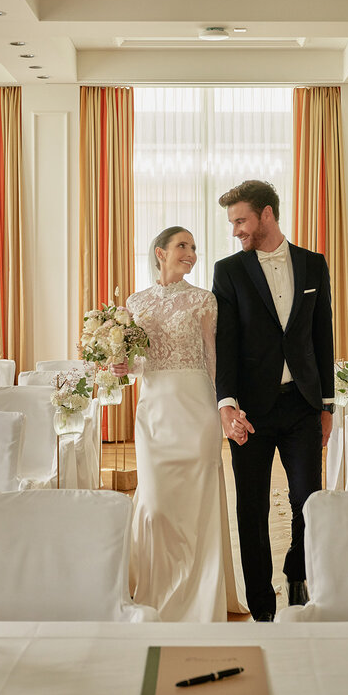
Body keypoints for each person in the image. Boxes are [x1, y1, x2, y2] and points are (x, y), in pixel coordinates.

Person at [212, 181, 334, 622]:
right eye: (232, 223)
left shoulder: (313, 264)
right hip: (252, 411)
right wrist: (227, 404)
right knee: (251, 508)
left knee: (309, 502)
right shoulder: (228, 271)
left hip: (302, 405)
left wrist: (327, 405)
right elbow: (225, 344)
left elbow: (323, 336)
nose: (235, 231)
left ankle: (297, 575)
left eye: (240, 220)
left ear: (266, 214)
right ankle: (262, 608)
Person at [117, 226, 244, 622]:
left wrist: (227, 406)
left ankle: (201, 595)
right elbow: (138, 363)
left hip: (196, 408)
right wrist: (121, 364)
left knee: (197, 500)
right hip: (155, 410)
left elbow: (214, 357)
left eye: (193, 247)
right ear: (160, 252)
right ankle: (155, 590)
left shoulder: (204, 301)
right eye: (182, 246)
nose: (190, 253)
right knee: (155, 503)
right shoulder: (135, 302)